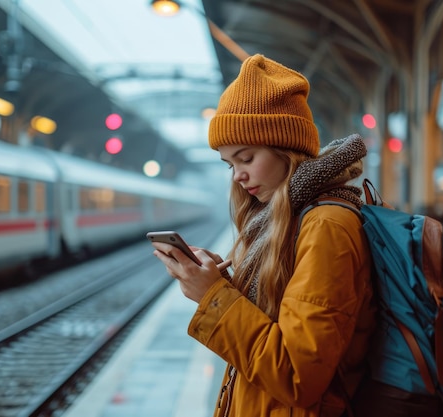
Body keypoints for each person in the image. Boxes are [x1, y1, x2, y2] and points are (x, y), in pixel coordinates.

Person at [150, 53, 376, 417]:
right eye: (230, 164)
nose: (237, 175)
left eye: (247, 157)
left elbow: (298, 375)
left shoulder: (326, 226)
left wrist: (213, 296)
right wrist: (221, 282)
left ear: (286, 148)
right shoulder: (281, 220)